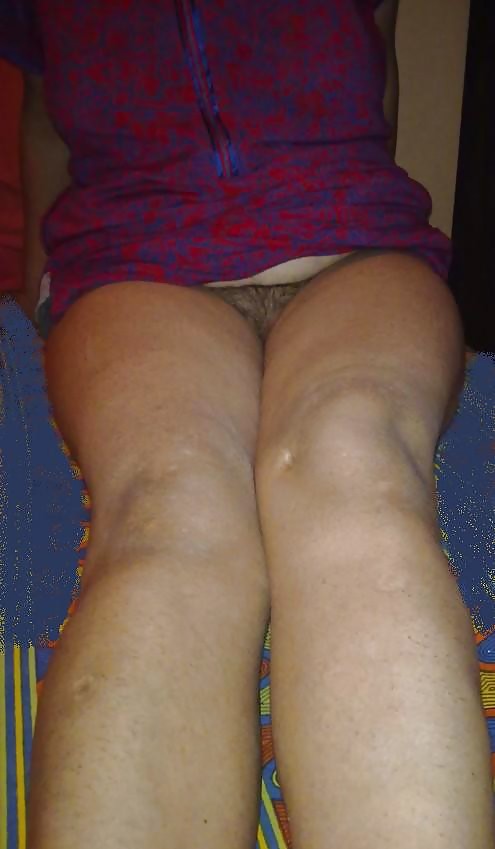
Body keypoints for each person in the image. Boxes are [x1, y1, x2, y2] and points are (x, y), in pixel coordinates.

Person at [0, 1, 492, 846]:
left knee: (355, 460)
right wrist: (46, 298)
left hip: (352, 254)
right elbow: (44, 119)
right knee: (170, 507)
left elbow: (371, 58)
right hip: (136, 266)